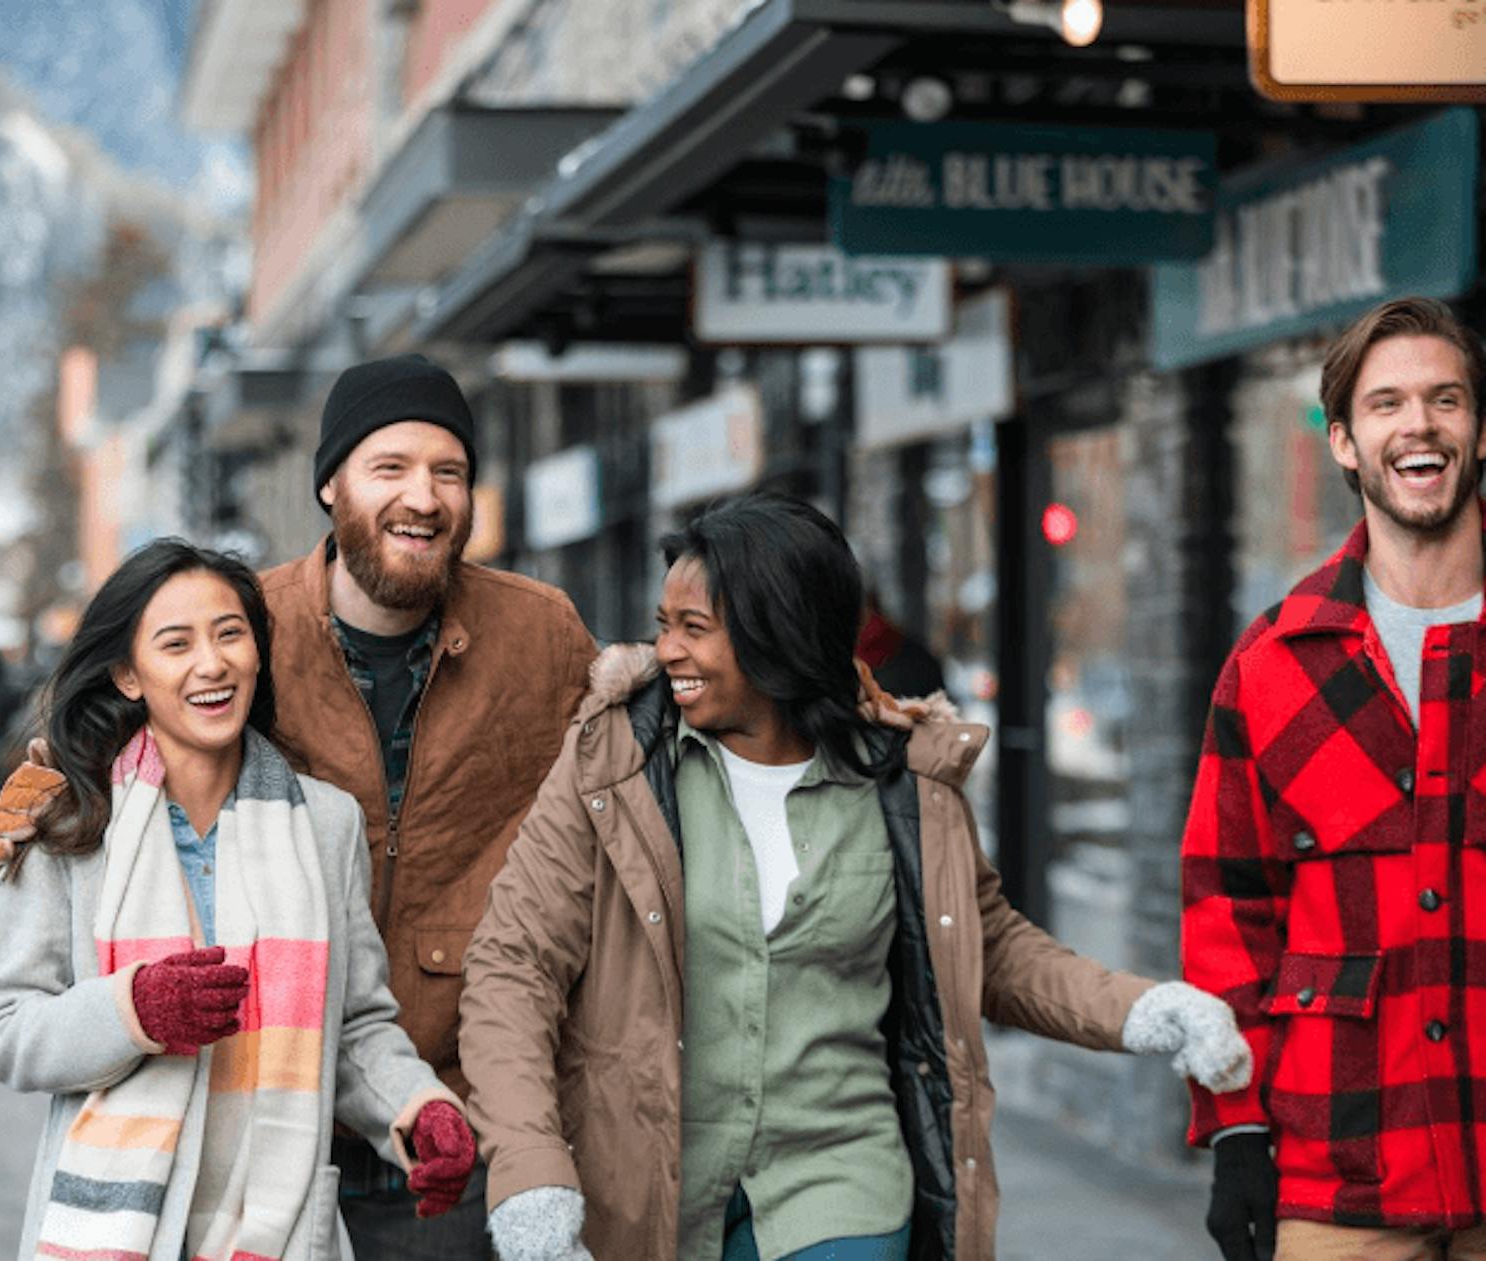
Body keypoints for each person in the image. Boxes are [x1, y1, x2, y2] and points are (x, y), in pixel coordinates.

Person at [459, 492, 1252, 1261]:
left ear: (779, 637)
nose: (668, 650)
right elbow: (514, 966)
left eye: (694, 629)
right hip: (646, 1189)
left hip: (841, 1179)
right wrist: (530, 1172)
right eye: (664, 625)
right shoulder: (615, 765)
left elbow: (991, 948)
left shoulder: (905, 785)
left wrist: (1145, 1008)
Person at [0, 353, 598, 1255]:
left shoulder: (537, 638)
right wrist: (48, 790)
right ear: (330, 483)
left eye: (449, 471)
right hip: (157, 1193)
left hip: (434, 1116)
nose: (423, 497)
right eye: (390, 467)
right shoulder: (239, 643)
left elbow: (632, 760)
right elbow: (9, 1021)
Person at [0, 539, 477, 1261]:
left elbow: (357, 1024)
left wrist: (418, 1106)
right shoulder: (69, 822)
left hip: (277, 1230)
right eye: (175, 644)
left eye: (230, 634)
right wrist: (134, 1010)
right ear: (127, 673)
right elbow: (6, 1029)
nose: (211, 664)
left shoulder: (323, 824)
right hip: (117, 1232)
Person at [1181, 297, 1486, 1261]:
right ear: (1346, 443)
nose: (1420, 424)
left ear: (1481, 430)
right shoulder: (1275, 661)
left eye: (1446, 399)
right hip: (1340, 1160)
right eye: (1387, 403)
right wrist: (1235, 1126)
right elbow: (1230, 916)